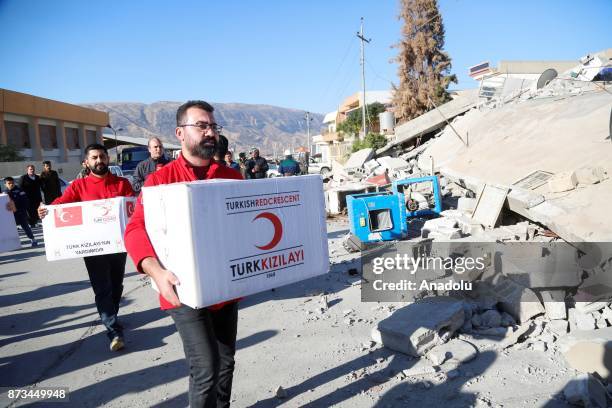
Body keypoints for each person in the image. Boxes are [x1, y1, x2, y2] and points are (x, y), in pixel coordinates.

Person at [124, 100, 242, 408]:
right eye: (201, 126)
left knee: (226, 362)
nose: (209, 132)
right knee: (206, 368)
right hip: (182, 291)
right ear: (180, 133)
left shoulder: (231, 178)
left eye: (213, 126)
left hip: (225, 290)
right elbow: (135, 230)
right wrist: (156, 272)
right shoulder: (159, 181)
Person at [38, 143, 134, 351]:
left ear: (108, 159)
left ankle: (113, 317)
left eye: (102, 156)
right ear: (87, 162)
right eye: (94, 158)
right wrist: (45, 210)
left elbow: (133, 207)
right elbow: (60, 204)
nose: (99, 160)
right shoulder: (78, 186)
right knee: (103, 289)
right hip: (93, 250)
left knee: (116, 287)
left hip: (118, 247)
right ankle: (113, 331)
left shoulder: (122, 183)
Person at [4, 177, 38, 247]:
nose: (11, 184)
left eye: (12, 183)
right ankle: (12, 243)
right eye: (9, 183)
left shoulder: (20, 191)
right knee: (9, 229)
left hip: (20, 213)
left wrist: (16, 207)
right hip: (9, 214)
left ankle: (33, 239)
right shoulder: (4, 193)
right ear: (5, 184)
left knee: (25, 226)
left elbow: (26, 202)